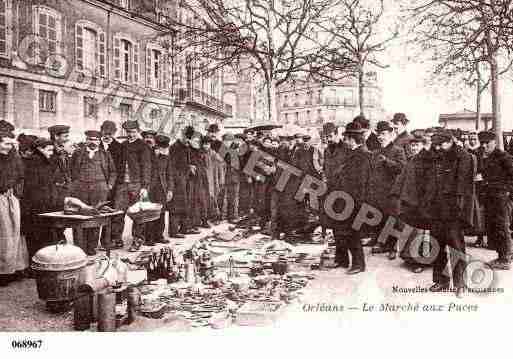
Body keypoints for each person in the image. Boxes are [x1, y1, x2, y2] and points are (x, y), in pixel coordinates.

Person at [425, 130, 475, 298]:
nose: (438, 148)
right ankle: (441, 280)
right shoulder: (436, 154)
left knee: (456, 246)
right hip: (436, 209)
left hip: (453, 210)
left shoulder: (463, 157)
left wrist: (459, 210)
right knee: (437, 246)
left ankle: (461, 284)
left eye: (441, 144)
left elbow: (463, 187)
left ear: (450, 141)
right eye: (435, 145)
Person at [331, 122, 372, 274]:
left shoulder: (362, 155)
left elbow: (361, 183)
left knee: (353, 233)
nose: (345, 142)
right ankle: (343, 261)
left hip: (354, 201)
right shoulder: (354, 153)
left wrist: (355, 204)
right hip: (347, 199)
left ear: (352, 139)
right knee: (344, 231)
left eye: (347, 139)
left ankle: (358, 264)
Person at [70, 130, 117, 255]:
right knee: (79, 217)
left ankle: (91, 247)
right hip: (80, 189)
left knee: (96, 217)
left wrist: (109, 185)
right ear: (86, 140)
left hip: (99, 189)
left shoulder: (105, 154)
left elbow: (113, 172)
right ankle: (79, 248)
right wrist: (73, 185)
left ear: (99, 141)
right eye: (90, 139)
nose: (93, 142)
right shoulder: (78, 153)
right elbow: (70, 170)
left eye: (95, 140)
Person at [111, 120, 152, 251]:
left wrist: (145, 187)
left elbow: (146, 167)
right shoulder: (123, 145)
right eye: (128, 132)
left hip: (137, 184)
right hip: (122, 184)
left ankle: (137, 240)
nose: (131, 135)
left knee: (138, 214)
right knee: (118, 213)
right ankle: (117, 240)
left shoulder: (143, 146)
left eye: (133, 132)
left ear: (138, 132)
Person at [369, 121, 407, 258]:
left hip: (392, 192)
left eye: (384, 134)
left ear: (391, 134)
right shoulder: (375, 152)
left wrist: (386, 161)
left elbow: (402, 168)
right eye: (379, 134)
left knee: (393, 219)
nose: (381, 137)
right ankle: (383, 244)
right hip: (378, 192)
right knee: (381, 218)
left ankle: (393, 248)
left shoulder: (398, 150)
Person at [477, 130, 513, 270]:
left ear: (494, 142)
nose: (484, 146)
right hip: (491, 198)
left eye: (487, 143)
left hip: (501, 198)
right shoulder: (485, 157)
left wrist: (508, 193)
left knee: (502, 227)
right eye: (482, 143)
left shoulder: (504, 157)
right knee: (495, 228)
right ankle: (502, 255)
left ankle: (505, 259)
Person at [23, 138, 60, 263]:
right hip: (37, 206)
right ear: (40, 149)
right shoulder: (35, 162)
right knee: (37, 236)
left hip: (41, 204)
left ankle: (38, 263)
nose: (51, 153)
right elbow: (33, 187)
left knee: (40, 236)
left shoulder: (42, 161)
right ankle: (36, 265)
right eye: (49, 150)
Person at [0, 132, 28, 286]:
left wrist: (16, 191)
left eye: (11, 144)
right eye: (5, 143)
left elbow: (20, 176)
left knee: (15, 232)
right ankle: (2, 271)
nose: (9, 147)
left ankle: (14, 269)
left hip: (12, 198)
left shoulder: (14, 157)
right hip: (0, 197)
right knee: (3, 234)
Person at [146, 134, 174, 245]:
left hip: (162, 188)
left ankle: (159, 236)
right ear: (157, 146)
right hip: (150, 188)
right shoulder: (147, 154)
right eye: (162, 147)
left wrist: (170, 190)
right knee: (150, 213)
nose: (165, 150)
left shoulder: (166, 157)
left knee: (161, 213)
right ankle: (149, 238)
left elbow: (169, 174)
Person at [168, 127, 196, 237]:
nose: (188, 140)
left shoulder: (187, 147)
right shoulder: (175, 147)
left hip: (186, 179)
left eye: (190, 138)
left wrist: (190, 167)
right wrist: (187, 167)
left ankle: (185, 228)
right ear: (181, 135)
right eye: (186, 138)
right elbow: (172, 166)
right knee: (176, 206)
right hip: (177, 180)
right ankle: (174, 231)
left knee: (186, 204)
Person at [220, 133, 241, 223]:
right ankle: (220, 216)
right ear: (223, 141)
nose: (228, 142)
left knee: (233, 197)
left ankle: (231, 216)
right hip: (224, 176)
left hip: (235, 177)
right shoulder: (221, 150)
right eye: (226, 141)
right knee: (221, 197)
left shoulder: (236, 150)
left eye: (230, 140)